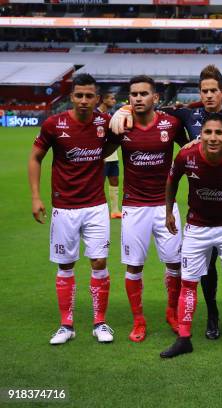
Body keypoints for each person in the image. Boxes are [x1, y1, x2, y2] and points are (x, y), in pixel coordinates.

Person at [111, 65, 222, 340]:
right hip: (198, 204)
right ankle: (212, 314)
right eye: (205, 90)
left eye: (215, 90)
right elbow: (150, 110)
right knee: (205, 264)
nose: (210, 94)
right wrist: (122, 109)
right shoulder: (187, 116)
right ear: (199, 93)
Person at [28, 73, 114, 345]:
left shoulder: (105, 123)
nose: (84, 100)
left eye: (90, 96)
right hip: (64, 207)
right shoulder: (55, 124)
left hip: (96, 206)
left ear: (97, 99)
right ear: (71, 97)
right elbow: (35, 158)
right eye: (79, 95)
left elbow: (119, 139)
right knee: (66, 265)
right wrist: (35, 197)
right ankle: (67, 325)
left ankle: (100, 322)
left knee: (99, 262)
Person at [161, 113, 222, 360]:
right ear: (200, 134)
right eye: (208, 132)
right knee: (188, 283)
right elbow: (172, 181)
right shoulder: (186, 156)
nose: (213, 138)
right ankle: (184, 339)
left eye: (218, 133)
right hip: (196, 228)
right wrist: (169, 212)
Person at [105, 75, 187, 342]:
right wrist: (111, 124)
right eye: (133, 94)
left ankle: (172, 312)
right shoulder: (122, 125)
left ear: (155, 98)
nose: (138, 98)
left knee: (175, 263)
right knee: (133, 267)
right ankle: (138, 321)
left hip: (166, 206)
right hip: (134, 207)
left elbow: (188, 149)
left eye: (143, 94)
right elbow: (100, 151)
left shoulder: (171, 124)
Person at [97, 92, 121, 219]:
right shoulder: (95, 115)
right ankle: (97, 210)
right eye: (111, 98)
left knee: (114, 180)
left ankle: (115, 210)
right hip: (101, 156)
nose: (114, 101)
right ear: (103, 99)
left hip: (113, 155)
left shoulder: (110, 115)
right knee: (98, 183)